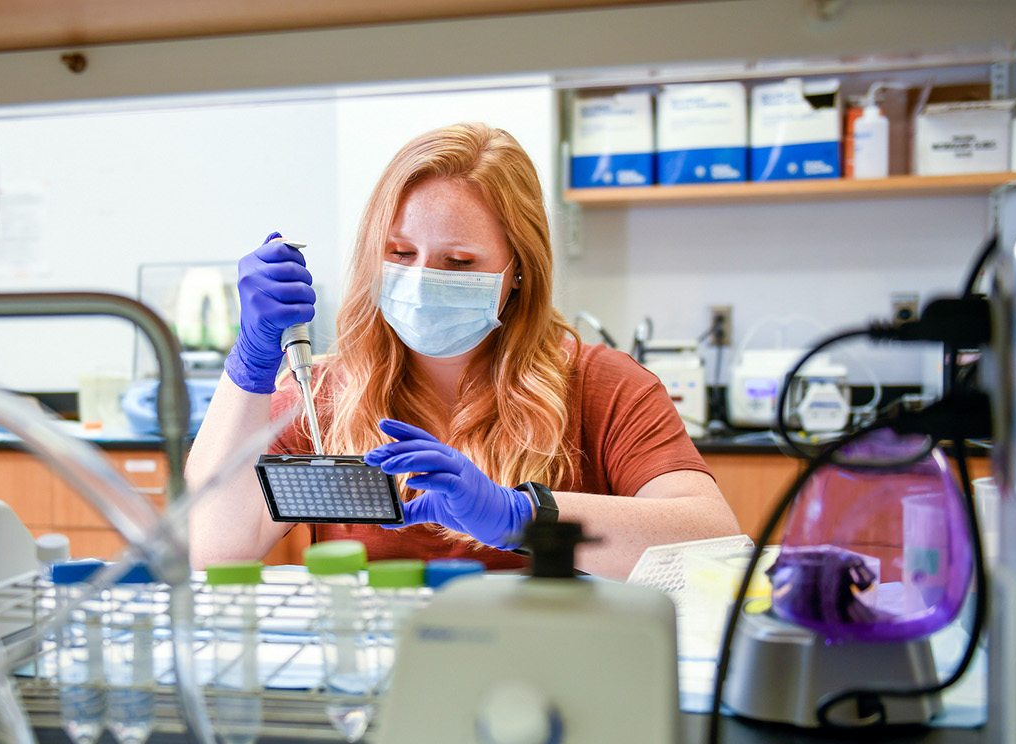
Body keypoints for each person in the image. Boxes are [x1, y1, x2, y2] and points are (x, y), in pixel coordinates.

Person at [186, 122, 739, 578]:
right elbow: (212, 550)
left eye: (459, 263)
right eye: (400, 252)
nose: (422, 280)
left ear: (518, 269)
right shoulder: (326, 397)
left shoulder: (603, 387)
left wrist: (520, 516)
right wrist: (252, 362)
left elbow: (710, 540)